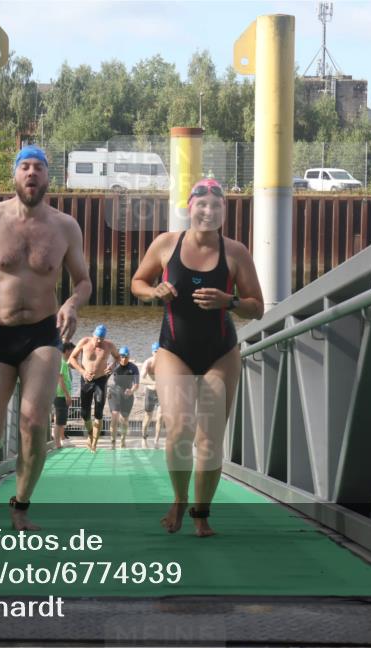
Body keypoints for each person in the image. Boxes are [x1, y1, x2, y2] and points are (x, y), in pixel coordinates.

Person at [0, 145, 92, 530]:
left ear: (48, 177)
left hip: (43, 333)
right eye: (24, 167)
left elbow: (84, 281)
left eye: (39, 168)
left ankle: (20, 504)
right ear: (14, 175)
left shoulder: (65, 227)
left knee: (33, 420)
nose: (31, 173)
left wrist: (73, 305)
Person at [131, 178, 264, 537]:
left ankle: (201, 514)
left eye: (216, 206)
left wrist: (229, 301)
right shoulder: (166, 244)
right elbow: (137, 282)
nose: (208, 212)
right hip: (174, 349)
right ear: (190, 208)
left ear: (223, 211)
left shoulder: (235, 252)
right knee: (179, 430)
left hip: (221, 351)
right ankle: (178, 498)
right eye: (201, 205)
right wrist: (153, 290)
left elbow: (258, 308)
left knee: (209, 438)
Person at [68, 324, 119, 452]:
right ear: (93, 335)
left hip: (101, 380)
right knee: (85, 413)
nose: (99, 341)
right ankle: (91, 434)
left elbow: (117, 358)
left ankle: (94, 443)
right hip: (86, 380)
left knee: (98, 413)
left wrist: (112, 365)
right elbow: (71, 358)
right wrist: (82, 371)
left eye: (101, 339)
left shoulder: (109, 345)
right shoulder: (84, 342)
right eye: (97, 338)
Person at [107, 346, 139, 449]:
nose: (124, 359)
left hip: (127, 394)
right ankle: (112, 441)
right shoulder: (114, 365)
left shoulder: (133, 368)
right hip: (115, 392)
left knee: (124, 419)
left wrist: (132, 391)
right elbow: (104, 376)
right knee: (115, 416)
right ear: (118, 357)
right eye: (122, 356)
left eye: (126, 356)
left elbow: (136, 384)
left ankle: (123, 440)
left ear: (129, 357)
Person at [52, 341, 77, 450]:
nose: (74, 353)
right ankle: (57, 444)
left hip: (63, 395)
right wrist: (67, 395)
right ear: (67, 350)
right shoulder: (61, 362)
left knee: (61, 420)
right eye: (73, 351)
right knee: (59, 422)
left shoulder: (65, 363)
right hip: (61, 395)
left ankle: (61, 440)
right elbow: (60, 380)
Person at [140, 342, 162, 448]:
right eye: (155, 352)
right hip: (150, 391)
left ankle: (156, 440)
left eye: (159, 352)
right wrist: (153, 382)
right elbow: (141, 378)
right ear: (152, 352)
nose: (157, 354)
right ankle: (144, 436)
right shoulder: (148, 362)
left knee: (160, 416)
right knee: (148, 416)